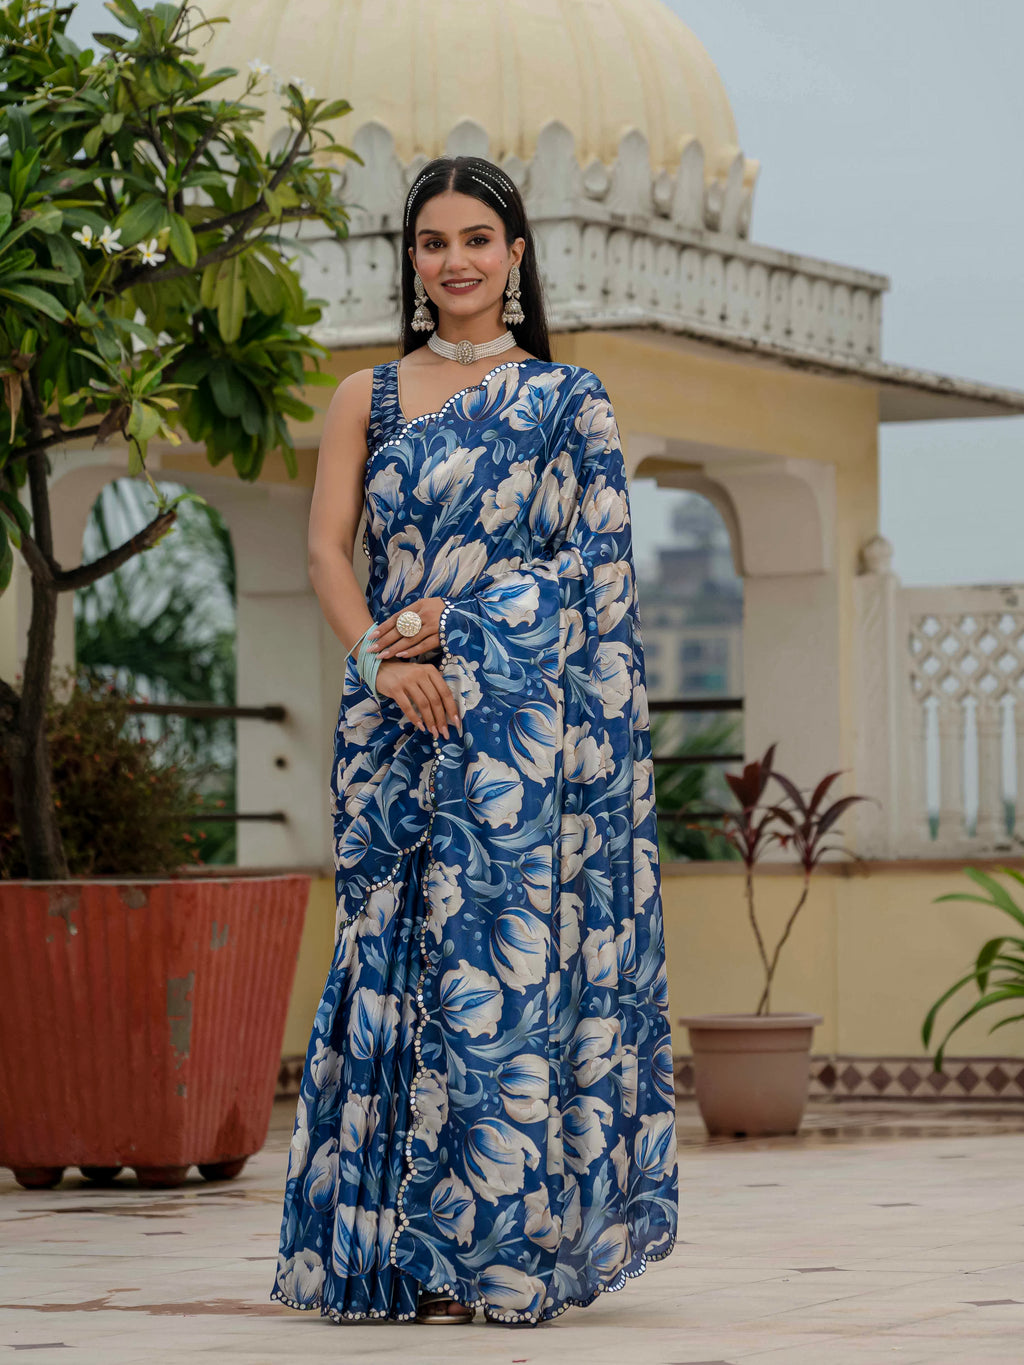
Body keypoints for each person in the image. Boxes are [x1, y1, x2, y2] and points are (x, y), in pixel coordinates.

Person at [271, 154, 678, 1328]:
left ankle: (482, 1253)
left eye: (477, 239)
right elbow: (324, 556)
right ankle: (387, 1257)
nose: (454, 260)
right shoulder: (369, 398)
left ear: (515, 254)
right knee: (388, 964)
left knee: (495, 973)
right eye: (432, 241)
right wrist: (385, 663)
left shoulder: (566, 402)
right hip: (391, 728)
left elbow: (596, 580)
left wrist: (461, 617)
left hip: (517, 745)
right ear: (412, 260)